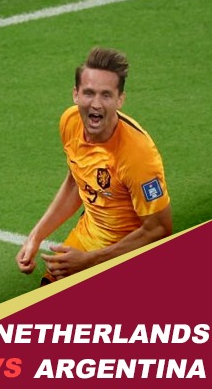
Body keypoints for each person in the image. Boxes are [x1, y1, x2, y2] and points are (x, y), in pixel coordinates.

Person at [16, 47, 172, 285]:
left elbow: (159, 229)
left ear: (120, 100)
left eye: (106, 95)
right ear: (76, 94)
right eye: (89, 93)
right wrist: (35, 237)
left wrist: (90, 261)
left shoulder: (139, 157)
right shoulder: (70, 122)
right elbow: (76, 182)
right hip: (89, 237)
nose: (96, 104)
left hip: (127, 251)